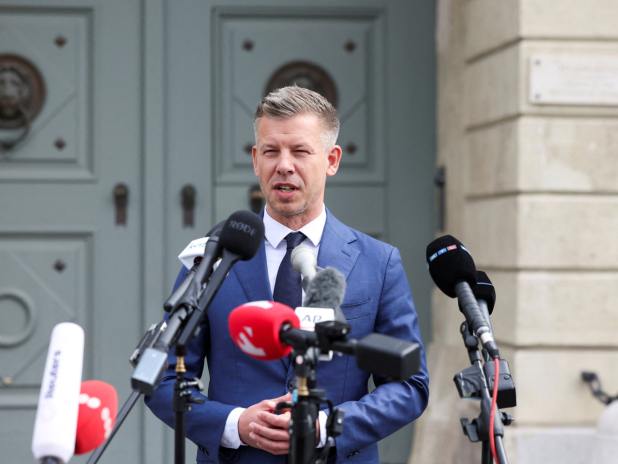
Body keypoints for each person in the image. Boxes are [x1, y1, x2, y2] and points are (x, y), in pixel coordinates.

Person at [146, 86, 429, 464]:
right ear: (255, 160)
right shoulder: (211, 259)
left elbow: (409, 384)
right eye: (271, 151)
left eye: (300, 151)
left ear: (331, 160)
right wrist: (235, 424)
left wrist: (325, 427)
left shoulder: (378, 262)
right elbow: (162, 378)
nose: (284, 165)